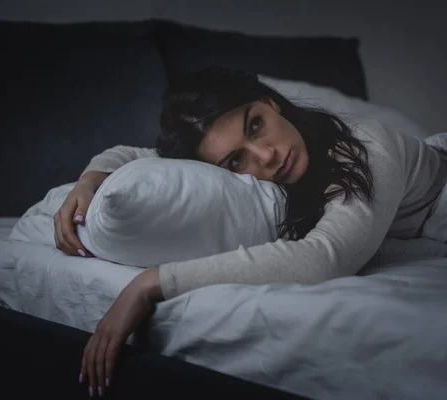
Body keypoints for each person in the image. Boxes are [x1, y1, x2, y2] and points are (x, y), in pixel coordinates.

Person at [54, 67, 447, 398]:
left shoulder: (367, 147)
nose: (267, 156)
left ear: (271, 103)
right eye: (236, 160)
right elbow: (137, 155)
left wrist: (152, 281)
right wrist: (89, 180)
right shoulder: (279, 156)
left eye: (256, 125)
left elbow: (324, 258)